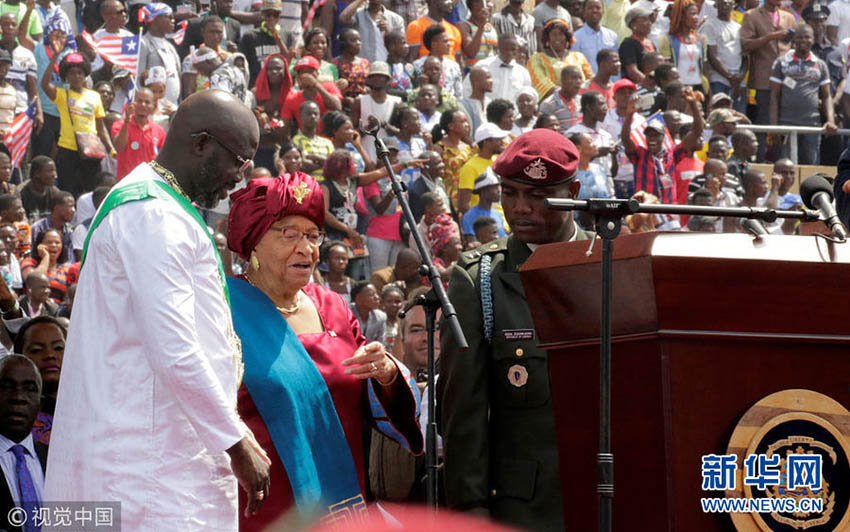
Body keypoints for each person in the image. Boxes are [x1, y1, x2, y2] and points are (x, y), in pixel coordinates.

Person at [43, 90, 272, 530]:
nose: (239, 180)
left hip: (153, 463)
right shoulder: (153, 215)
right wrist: (235, 442)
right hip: (144, 473)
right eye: (238, 163)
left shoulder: (161, 205)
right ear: (202, 144)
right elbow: (175, 348)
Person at [226, 173, 423, 528]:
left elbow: (367, 384)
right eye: (289, 234)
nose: (307, 248)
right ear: (253, 241)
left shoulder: (331, 305)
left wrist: (386, 372)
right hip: (263, 505)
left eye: (313, 235)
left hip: (341, 501)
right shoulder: (223, 308)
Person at [439, 129, 591, 531]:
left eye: (537, 196)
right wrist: (469, 512)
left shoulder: (615, 263)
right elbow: (463, 417)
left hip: (608, 499)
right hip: (523, 511)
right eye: (510, 193)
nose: (520, 208)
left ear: (573, 191)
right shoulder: (481, 281)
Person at [41, 46, 115, 198]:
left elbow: (101, 128)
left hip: (90, 150)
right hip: (67, 150)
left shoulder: (94, 96)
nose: (76, 77)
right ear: (66, 77)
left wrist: (111, 148)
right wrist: (55, 56)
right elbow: (44, 84)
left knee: (91, 190)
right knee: (67, 190)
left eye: (80, 73)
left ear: (85, 75)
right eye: (71, 73)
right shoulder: (62, 95)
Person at [769, 24, 836, 165]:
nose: (803, 40)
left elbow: (826, 96)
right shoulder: (781, 63)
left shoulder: (820, 64)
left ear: (813, 40)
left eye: (807, 37)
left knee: (811, 164)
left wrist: (830, 120)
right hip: (785, 124)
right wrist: (774, 126)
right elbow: (774, 95)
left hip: (811, 123)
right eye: (799, 37)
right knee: (784, 165)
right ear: (794, 40)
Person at [741, 0, 796, 161]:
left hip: (786, 80)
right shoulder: (751, 15)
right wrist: (771, 37)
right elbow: (746, 44)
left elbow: (796, 44)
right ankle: (759, 160)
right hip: (762, 79)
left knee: (784, 123)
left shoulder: (788, 16)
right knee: (764, 122)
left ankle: (783, 161)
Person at [0, 355, 46, 532]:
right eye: (6, 387)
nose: (18, 397)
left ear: (40, 404)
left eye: (29, 389)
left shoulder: (58, 462)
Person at [15, 316, 65, 448]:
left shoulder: (94, 406)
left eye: (58, 348)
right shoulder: (12, 416)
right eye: (36, 350)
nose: (50, 355)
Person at [111, 87, 166, 181]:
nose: (143, 105)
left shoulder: (159, 130)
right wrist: (127, 120)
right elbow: (119, 148)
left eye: (147, 102)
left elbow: (163, 159)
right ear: (133, 103)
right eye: (139, 101)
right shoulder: (119, 125)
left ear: (153, 105)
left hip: (150, 183)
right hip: (127, 183)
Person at [528, 19, 591, 100]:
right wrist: (567, 95)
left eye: (561, 34)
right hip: (552, 105)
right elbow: (541, 82)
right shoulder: (537, 59)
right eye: (554, 35)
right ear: (548, 38)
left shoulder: (579, 57)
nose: (557, 38)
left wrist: (579, 97)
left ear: (567, 37)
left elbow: (590, 80)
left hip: (580, 103)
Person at [704, 0, 746, 111]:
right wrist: (730, 78)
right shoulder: (710, 25)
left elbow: (746, 56)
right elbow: (712, 56)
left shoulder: (739, 27)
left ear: (735, 5)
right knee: (720, 116)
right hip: (719, 80)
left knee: (739, 118)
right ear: (716, 4)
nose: (726, 4)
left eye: (729, 2)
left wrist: (740, 76)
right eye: (723, 2)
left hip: (738, 81)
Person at [458, 122, 508, 215]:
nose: (502, 142)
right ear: (486, 142)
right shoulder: (470, 167)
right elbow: (463, 205)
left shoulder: (497, 161)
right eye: (498, 139)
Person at [137, 3, 181, 107]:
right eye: (168, 17)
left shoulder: (170, 45)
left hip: (171, 106)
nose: (173, 21)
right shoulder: (143, 43)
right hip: (151, 107)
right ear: (154, 19)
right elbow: (138, 78)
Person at [658, 0, 705, 93]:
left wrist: (708, 92)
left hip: (698, 87)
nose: (696, 18)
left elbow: (705, 68)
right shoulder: (667, 40)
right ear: (682, 16)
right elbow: (666, 69)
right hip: (678, 89)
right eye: (693, 14)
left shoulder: (700, 40)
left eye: (697, 14)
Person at [433, 109, 472, 213]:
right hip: (448, 198)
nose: (467, 125)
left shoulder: (468, 148)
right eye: (462, 122)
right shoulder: (439, 148)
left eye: (467, 121)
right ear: (451, 126)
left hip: (467, 198)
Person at [339, 0, 405, 63]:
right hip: (363, 67)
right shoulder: (358, 14)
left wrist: (389, 31)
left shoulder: (396, 19)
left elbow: (402, 47)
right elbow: (343, 18)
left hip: (387, 67)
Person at [412, 24, 462, 100]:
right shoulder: (417, 65)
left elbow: (459, 94)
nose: (449, 44)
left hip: (449, 108)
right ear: (434, 44)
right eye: (445, 41)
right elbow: (414, 92)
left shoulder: (454, 66)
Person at [572, 0, 618, 74]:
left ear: (603, 11)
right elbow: (575, 65)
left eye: (598, 8)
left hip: (611, 83)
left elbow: (616, 64)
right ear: (584, 13)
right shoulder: (576, 38)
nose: (594, 11)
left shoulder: (612, 36)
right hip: (588, 84)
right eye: (590, 8)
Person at [29, 191, 74, 264]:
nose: (73, 210)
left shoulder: (69, 232)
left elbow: (70, 260)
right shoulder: (37, 228)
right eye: (70, 206)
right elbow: (31, 255)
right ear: (56, 208)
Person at [461, 168, 507, 238]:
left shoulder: (497, 214)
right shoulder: (470, 216)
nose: (499, 191)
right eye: (494, 188)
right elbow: (472, 242)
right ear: (484, 191)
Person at [539, 65, 583, 132]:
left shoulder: (581, 101)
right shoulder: (549, 104)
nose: (578, 81)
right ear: (563, 80)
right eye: (574, 78)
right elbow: (541, 130)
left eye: (580, 78)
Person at [619, 5, 656, 84]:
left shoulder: (650, 43)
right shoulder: (628, 44)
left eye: (649, 20)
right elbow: (632, 72)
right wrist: (649, 85)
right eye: (644, 19)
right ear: (633, 25)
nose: (649, 23)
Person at [458, 0, 498, 67]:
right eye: (487, 2)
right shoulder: (464, 26)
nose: (491, 5)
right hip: (474, 73)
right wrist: (481, 26)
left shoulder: (491, 27)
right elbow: (471, 53)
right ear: (475, 4)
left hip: (491, 73)